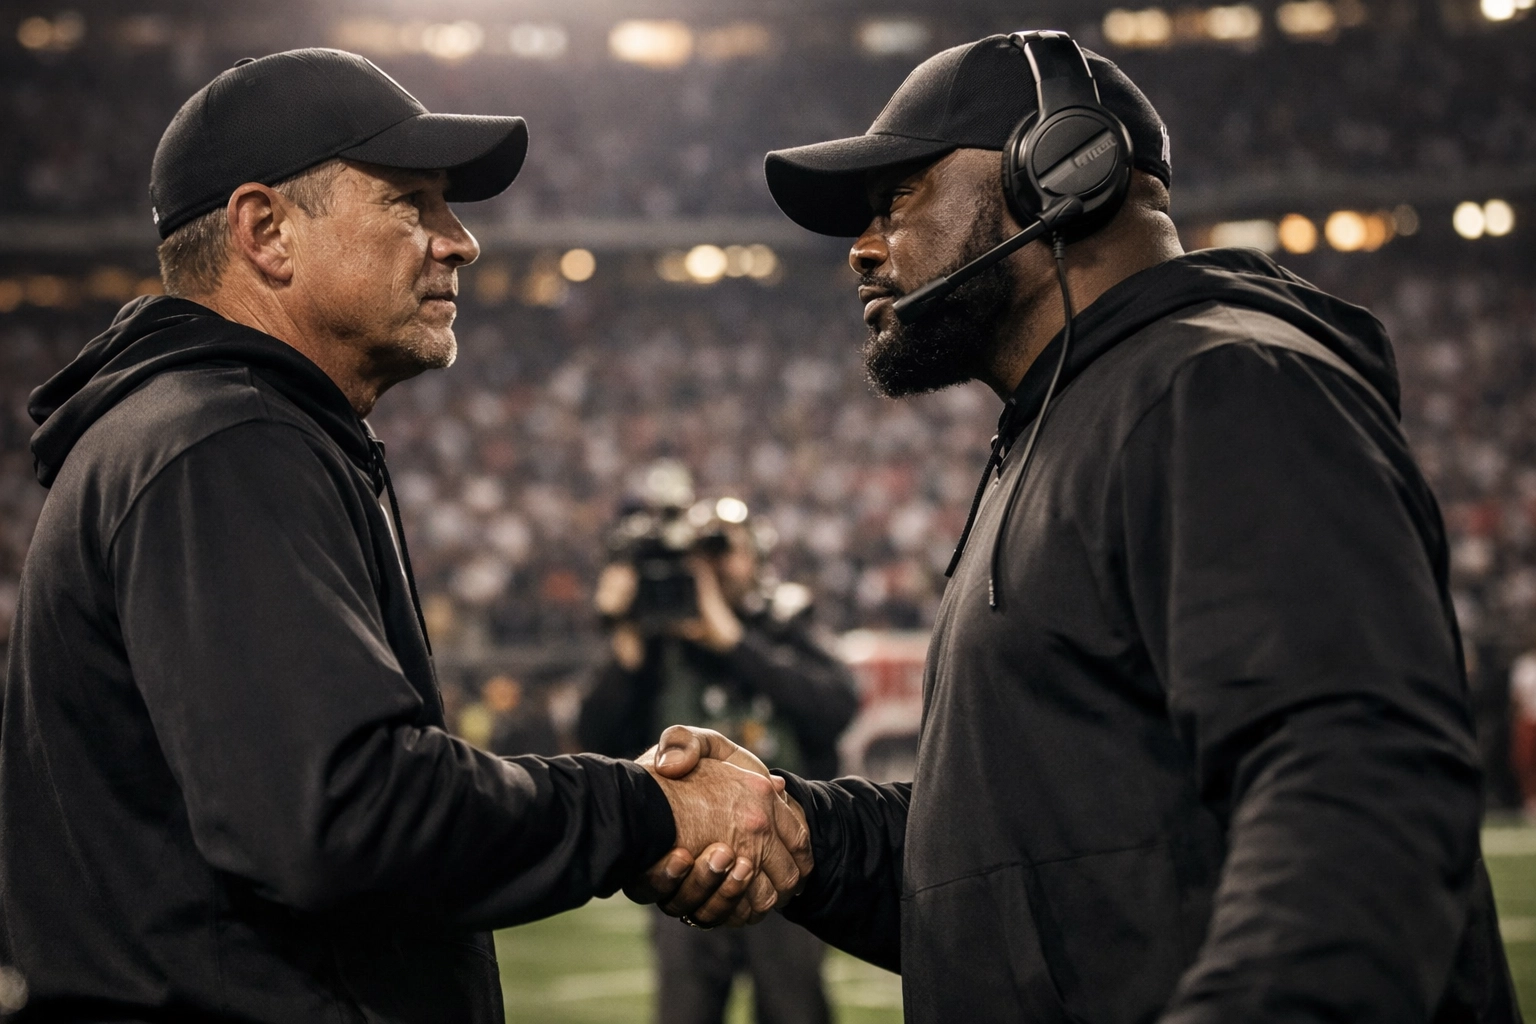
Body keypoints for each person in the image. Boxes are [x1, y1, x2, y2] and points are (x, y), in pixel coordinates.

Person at [637, 30, 1521, 1024]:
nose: (864, 244)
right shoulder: (1071, 424)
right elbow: (1034, 873)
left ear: (1060, 168)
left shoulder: (1221, 390)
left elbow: (1359, 798)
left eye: (898, 199)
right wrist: (804, 832)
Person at [0, 49, 809, 1024]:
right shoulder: (227, 440)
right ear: (267, 230)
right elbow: (341, 814)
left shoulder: (204, 429)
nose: (459, 241)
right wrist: (643, 811)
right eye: (411, 202)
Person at [579, 496, 859, 1024]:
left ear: (758, 557)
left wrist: (733, 641)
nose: (709, 567)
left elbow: (835, 706)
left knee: (794, 1007)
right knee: (684, 1010)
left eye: (723, 550)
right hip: (684, 865)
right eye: (698, 554)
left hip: (784, 860)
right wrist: (626, 641)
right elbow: (594, 735)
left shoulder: (783, 624)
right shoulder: (658, 643)